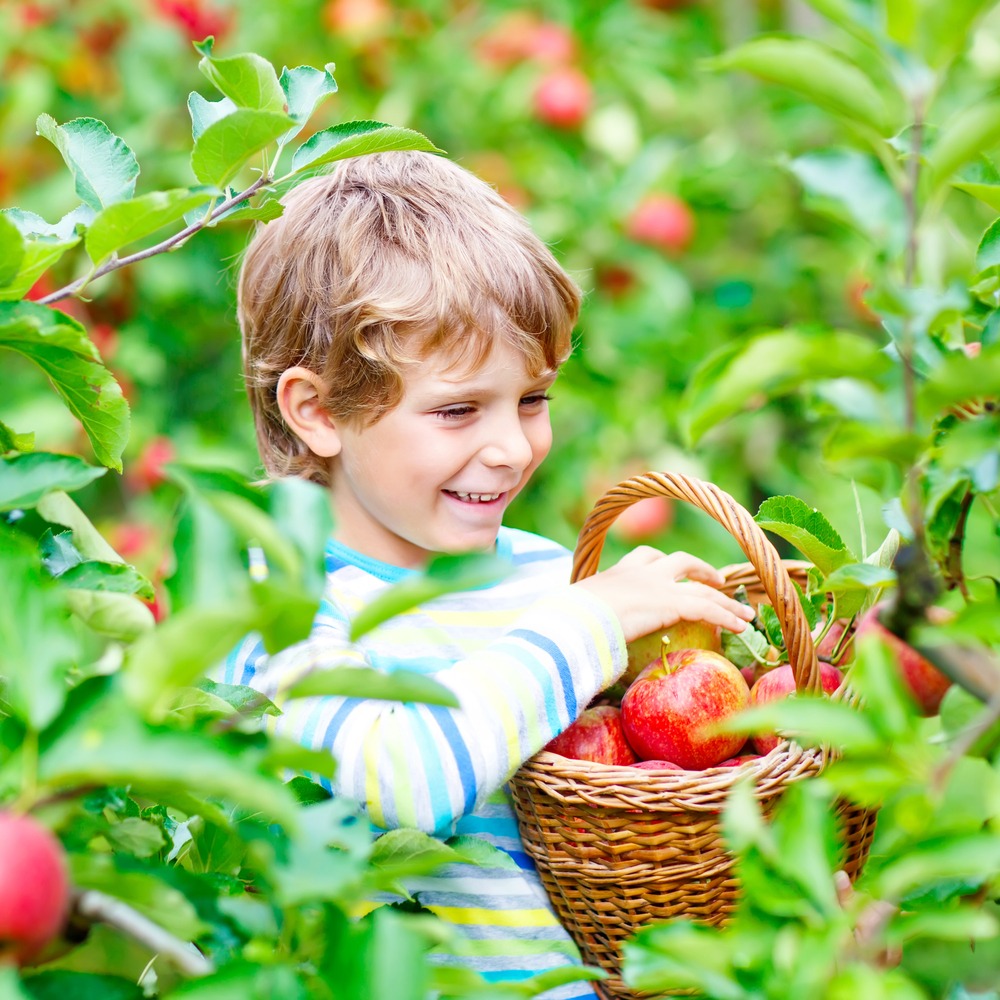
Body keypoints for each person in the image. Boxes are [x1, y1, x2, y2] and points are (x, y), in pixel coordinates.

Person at [222, 150, 754, 999]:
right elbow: (404, 778)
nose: (512, 447)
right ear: (317, 412)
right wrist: (592, 622)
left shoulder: (548, 582)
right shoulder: (272, 605)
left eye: (533, 399)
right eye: (459, 409)